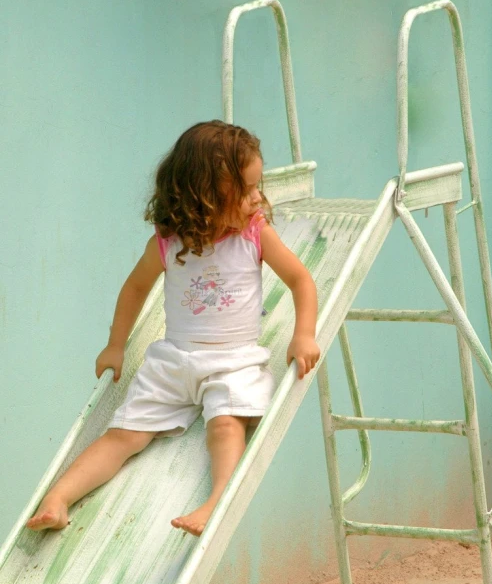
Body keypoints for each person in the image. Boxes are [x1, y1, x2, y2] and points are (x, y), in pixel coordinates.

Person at [26, 120, 320, 537]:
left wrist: (303, 333)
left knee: (226, 423)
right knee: (123, 435)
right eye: (248, 189)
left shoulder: (255, 234)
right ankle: (58, 499)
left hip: (233, 362)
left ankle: (216, 501)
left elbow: (301, 280)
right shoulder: (168, 242)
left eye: (259, 185)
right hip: (174, 360)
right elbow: (135, 288)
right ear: (205, 198)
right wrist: (115, 345)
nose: (259, 197)